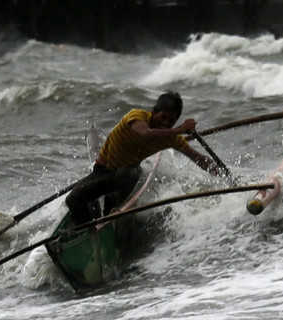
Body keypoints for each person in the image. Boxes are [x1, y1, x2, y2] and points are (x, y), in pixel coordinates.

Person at [65, 91, 223, 226]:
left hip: (125, 177)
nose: (166, 123)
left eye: (171, 121)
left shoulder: (171, 138)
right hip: (102, 172)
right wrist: (179, 129)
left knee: (128, 172)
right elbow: (146, 135)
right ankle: (88, 231)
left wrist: (224, 174)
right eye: (163, 117)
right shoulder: (136, 117)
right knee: (73, 200)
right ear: (154, 112)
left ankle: (110, 211)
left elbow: (199, 159)